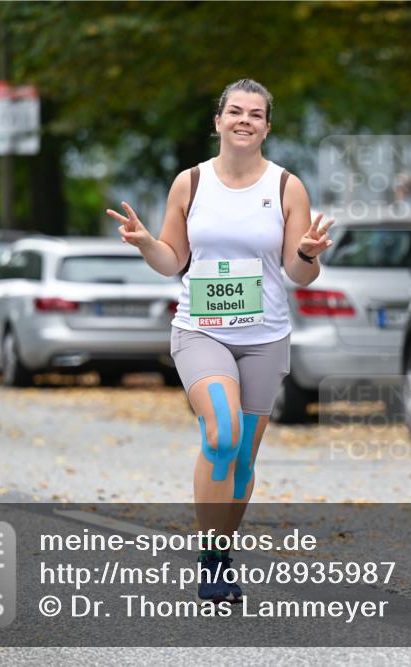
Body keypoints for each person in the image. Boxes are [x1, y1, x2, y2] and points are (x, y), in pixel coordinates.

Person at [106, 79, 333, 603]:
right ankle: (209, 561)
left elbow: (299, 274)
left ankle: (220, 557)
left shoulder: (286, 187)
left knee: (243, 460)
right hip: (200, 333)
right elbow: (172, 261)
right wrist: (147, 243)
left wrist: (307, 252)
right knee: (223, 432)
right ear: (218, 121)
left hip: (265, 338)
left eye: (255, 114)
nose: (244, 120)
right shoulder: (190, 183)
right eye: (235, 111)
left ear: (267, 127)